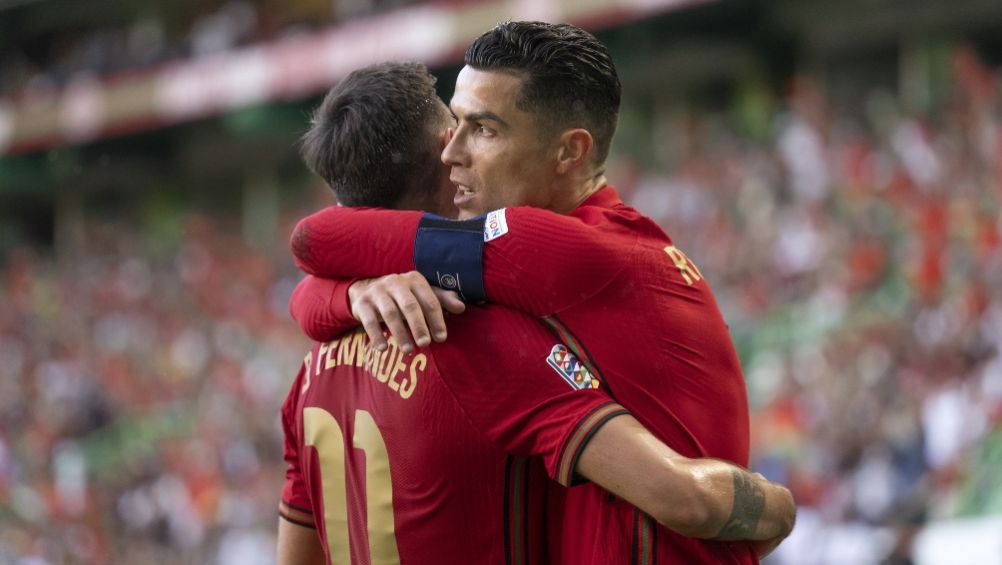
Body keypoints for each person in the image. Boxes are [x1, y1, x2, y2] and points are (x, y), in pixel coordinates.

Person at [288, 22, 785, 563]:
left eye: (482, 129)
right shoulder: (557, 272)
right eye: (455, 125)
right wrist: (774, 509)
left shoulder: (544, 254)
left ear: (569, 152)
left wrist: (344, 297)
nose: (451, 154)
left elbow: (316, 238)